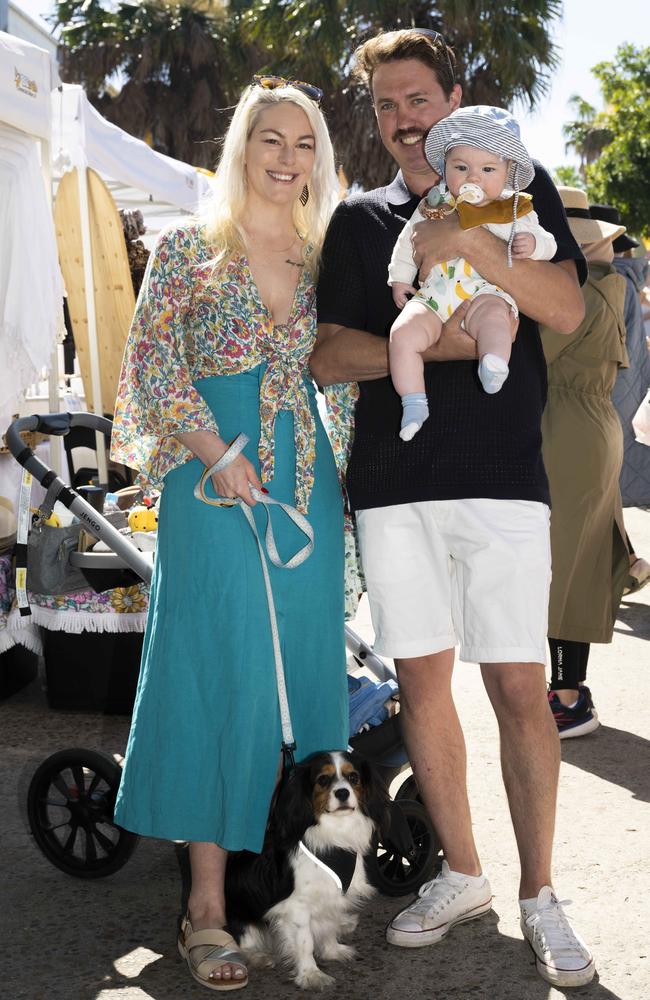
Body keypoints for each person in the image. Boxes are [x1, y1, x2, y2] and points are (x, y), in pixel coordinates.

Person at [312, 28, 595, 988]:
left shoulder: (516, 186)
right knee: (424, 693)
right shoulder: (358, 219)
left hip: (505, 482)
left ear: (453, 98)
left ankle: (541, 895)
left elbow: (564, 309)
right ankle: (464, 875)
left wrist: (466, 244)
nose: (403, 120)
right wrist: (437, 337)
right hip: (393, 491)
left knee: (520, 690)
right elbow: (334, 355)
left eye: (417, 99)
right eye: (387, 105)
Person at [111, 78, 348, 992]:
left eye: (304, 145)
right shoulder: (187, 252)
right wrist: (213, 451)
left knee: (309, 674)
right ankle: (205, 906)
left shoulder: (329, 258)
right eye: (271, 141)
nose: (287, 160)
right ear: (242, 149)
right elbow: (150, 365)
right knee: (216, 673)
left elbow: (350, 374)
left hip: (302, 488)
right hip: (209, 486)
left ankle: (305, 893)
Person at [388, 105, 557, 439]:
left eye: (488, 168)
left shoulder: (513, 208)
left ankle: (493, 364)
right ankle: (414, 402)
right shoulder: (436, 204)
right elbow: (408, 240)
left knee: (495, 320)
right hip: (436, 293)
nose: (473, 177)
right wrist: (400, 277)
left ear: (508, 173)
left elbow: (547, 242)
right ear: (445, 167)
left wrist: (533, 245)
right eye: (461, 167)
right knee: (402, 334)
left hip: (487, 291)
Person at [542, 189, 630, 737]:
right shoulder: (610, 288)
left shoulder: (583, 294)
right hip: (591, 427)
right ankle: (569, 693)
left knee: (561, 573)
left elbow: (532, 354)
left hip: (566, 431)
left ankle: (566, 698)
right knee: (577, 568)